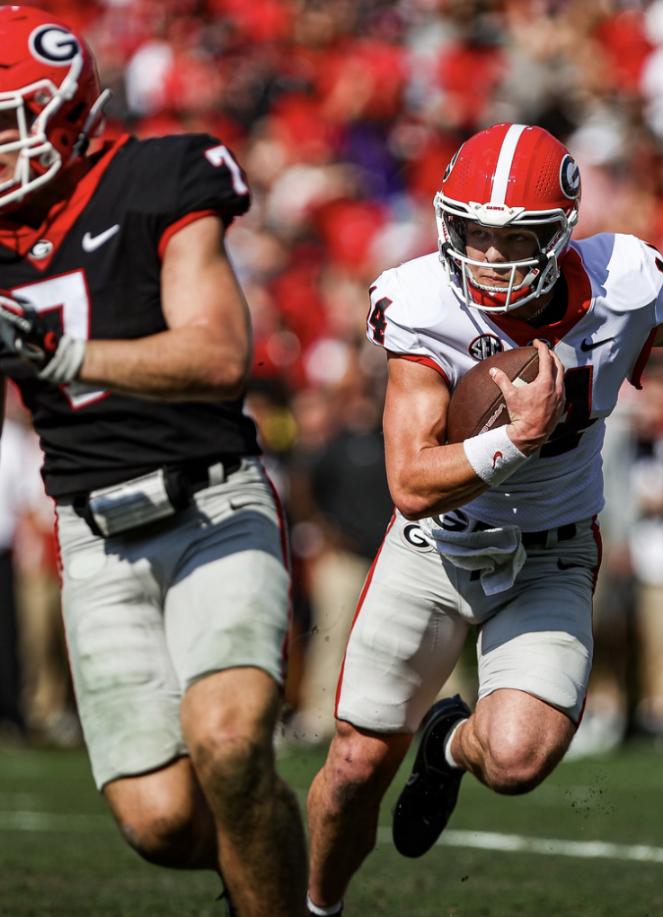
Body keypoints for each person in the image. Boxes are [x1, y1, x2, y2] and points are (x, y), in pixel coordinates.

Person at [305, 122, 663, 915]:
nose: (485, 255)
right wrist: (516, 439)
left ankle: (448, 743)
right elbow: (411, 483)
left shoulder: (624, 285)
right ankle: (313, 908)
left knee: (516, 758)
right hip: (436, 547)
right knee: (353, 768)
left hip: (551, 555)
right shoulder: (422, 304)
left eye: (510, 238)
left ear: (560, 237)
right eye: (471, 233)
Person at [0, 9, 306, 915]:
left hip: (211, 509)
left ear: (65, 114)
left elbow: (216, 355)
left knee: (228, 742)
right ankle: (273, 873)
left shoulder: (157, 176)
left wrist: (60, 352)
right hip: (94, 539)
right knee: (162, 819)